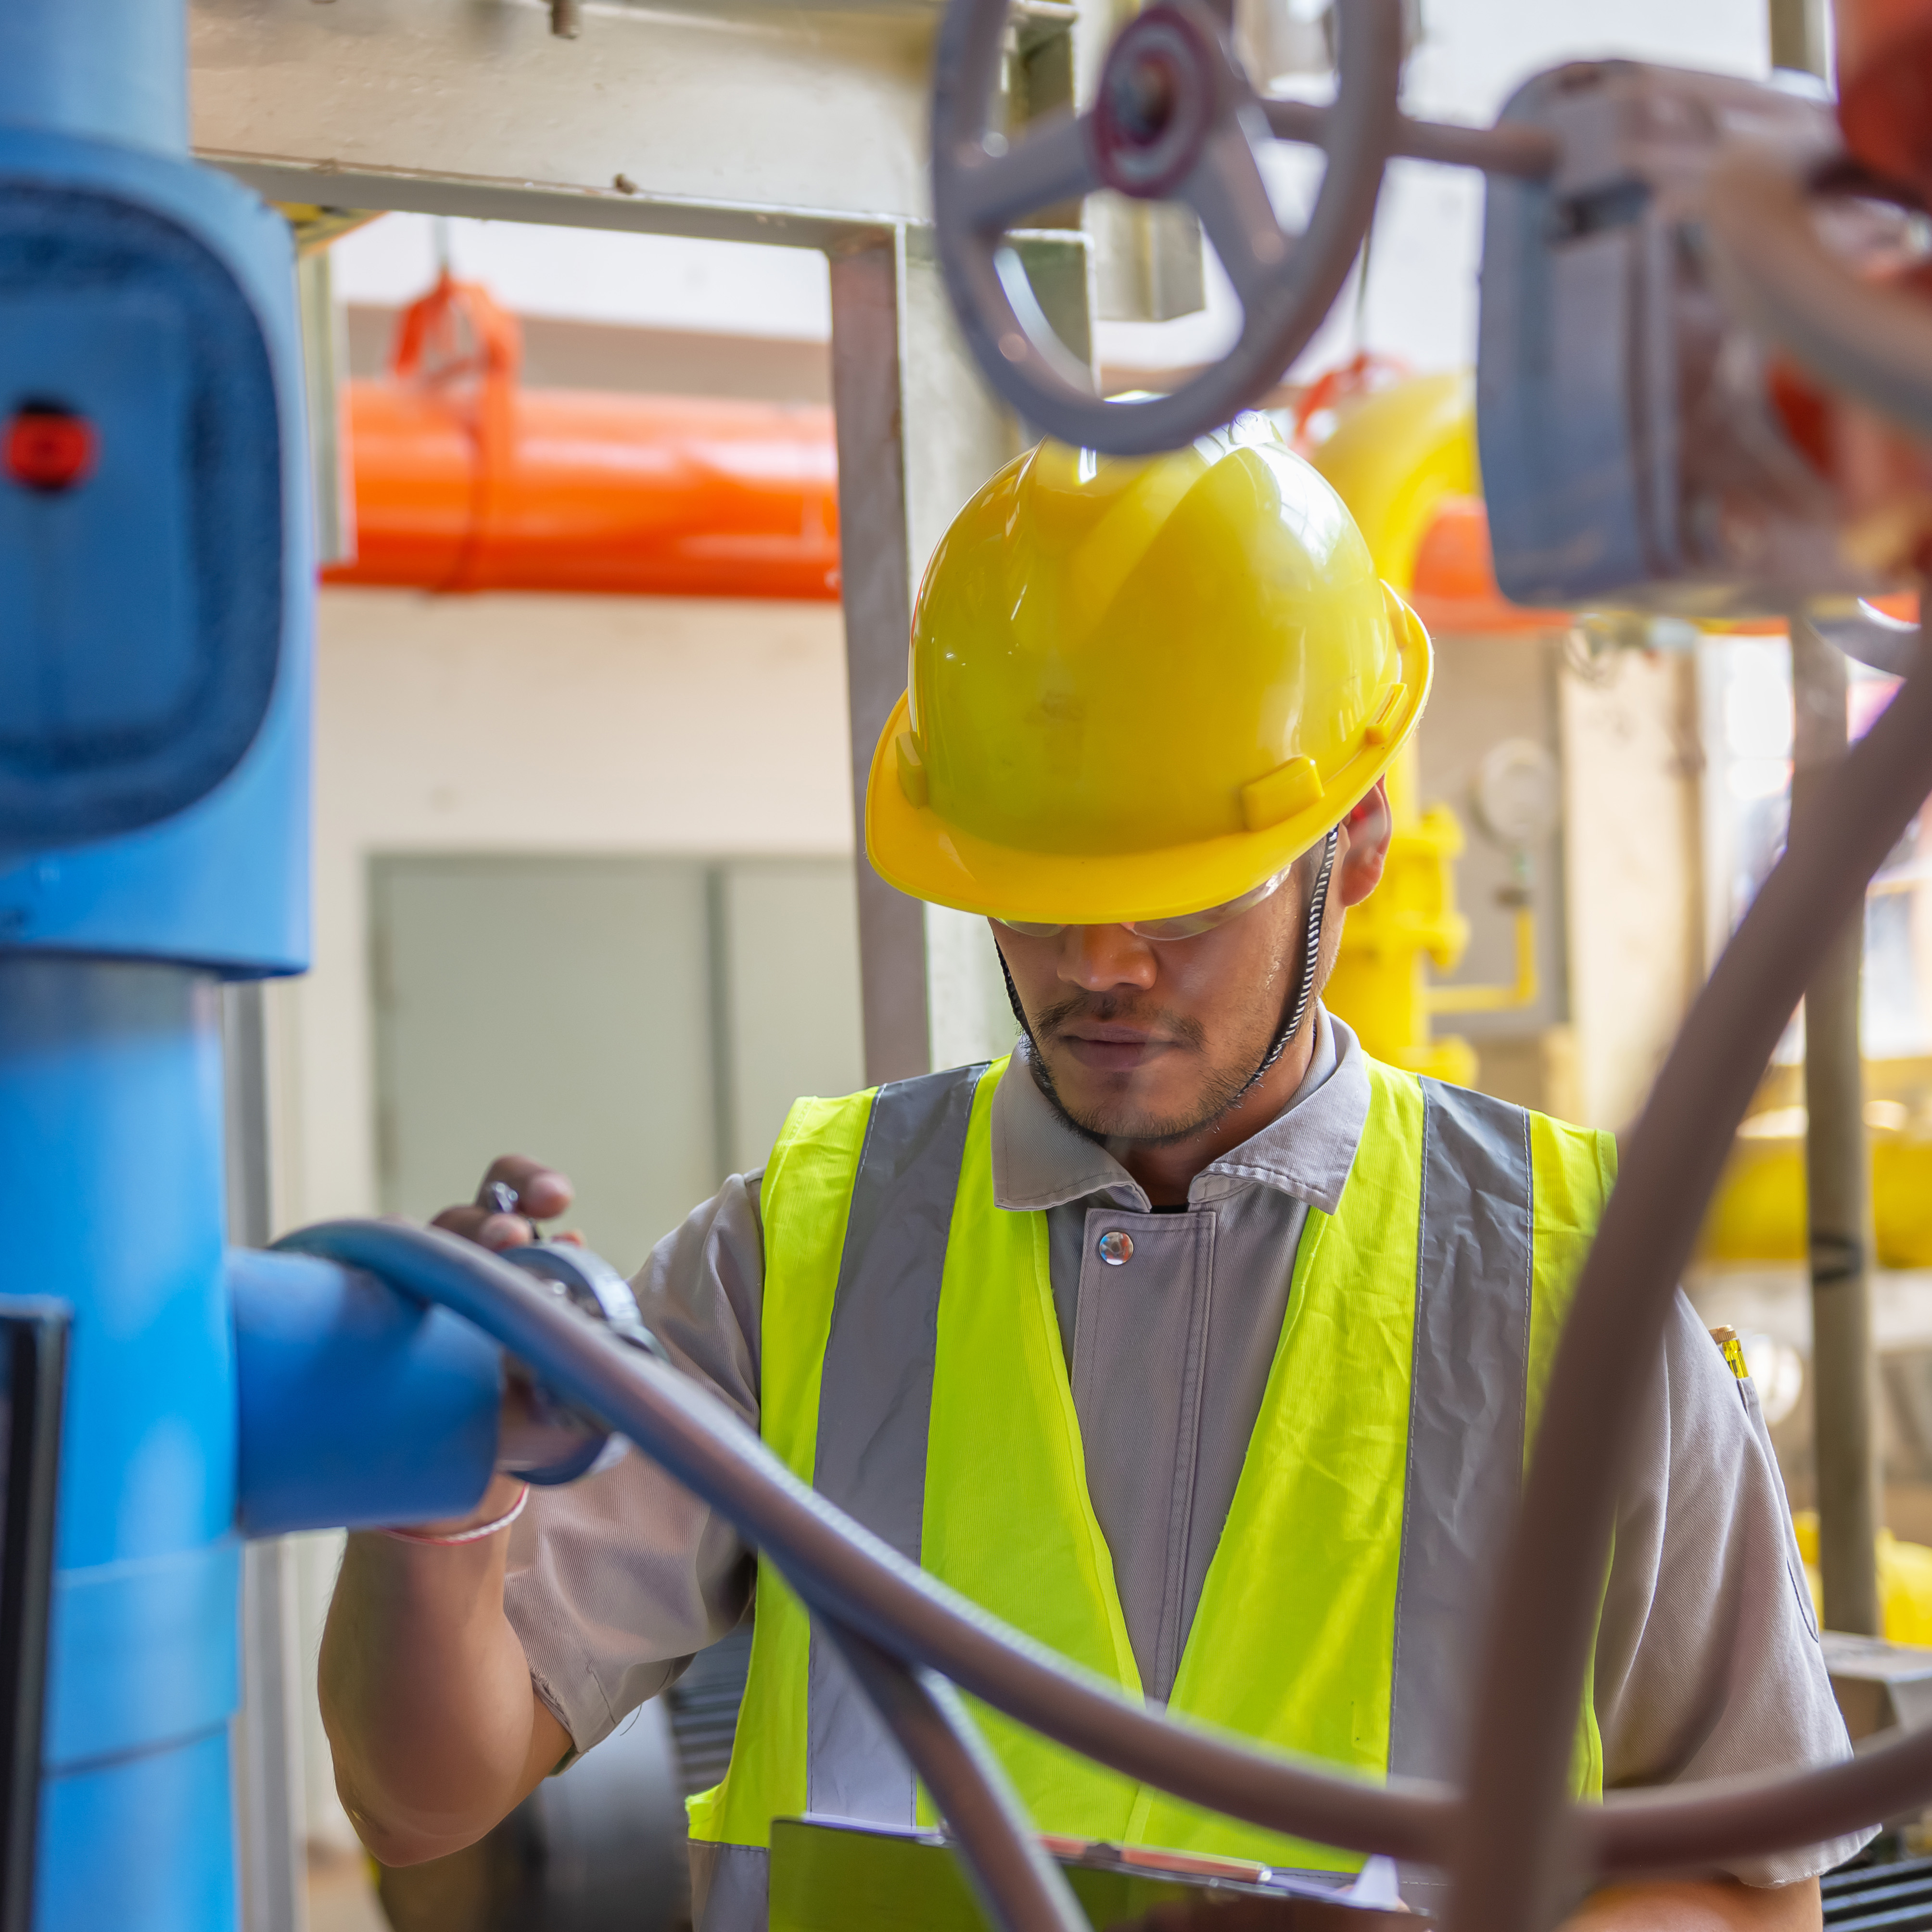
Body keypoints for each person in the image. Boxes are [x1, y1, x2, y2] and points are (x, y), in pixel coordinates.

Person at [319, 420, 1860, 1931]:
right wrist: (434, 1494)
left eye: (1182, 896)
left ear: (1363, 844)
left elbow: (1746, 1881)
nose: (1100, 966)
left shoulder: (1567, 1274)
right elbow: (425, 1798)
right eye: (1042, 896)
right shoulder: (798, 1255)